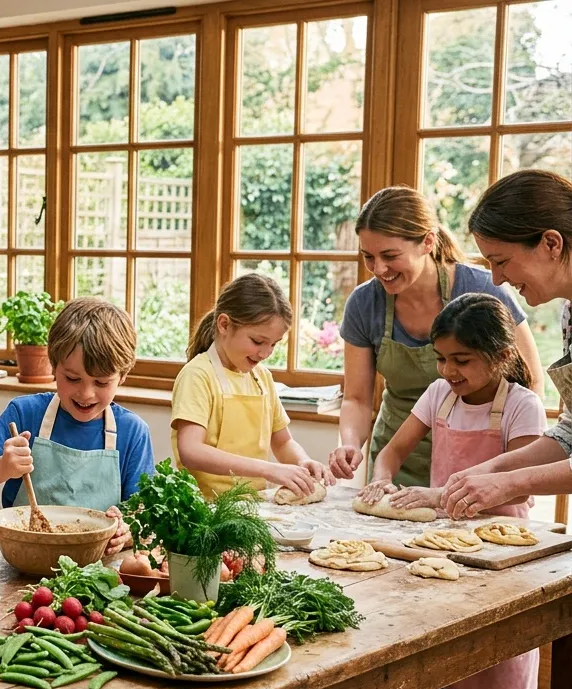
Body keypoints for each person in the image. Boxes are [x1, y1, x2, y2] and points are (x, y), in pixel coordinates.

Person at [361, 294, 541, 689]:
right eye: (441, 358)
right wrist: (381, 477)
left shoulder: (522, 406)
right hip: (444, 556)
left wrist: (438, 495)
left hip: (502, 565)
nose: (447, 371)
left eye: (461, 360)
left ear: (501, 355)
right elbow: (391, 452)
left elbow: (516, 487)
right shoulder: (439, 395)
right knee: (442, 688)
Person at [327, 186, 541, 488]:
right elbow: (357, 398)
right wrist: (350, 443)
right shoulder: (364, 304)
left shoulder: (484, 289)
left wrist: (513, 467)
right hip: (397, 459)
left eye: (390, 255)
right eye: (368, 257)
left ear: (427, 242)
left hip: (479, 466)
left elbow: (529, 381)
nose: (378, 269)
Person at [0, 297, 151, 553]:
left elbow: (146, 522)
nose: (86, 393)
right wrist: (2, 467)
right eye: (72, 378)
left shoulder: (132, 432)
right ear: (53, 365)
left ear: (122, 376)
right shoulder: (26, 414)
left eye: (101, 383)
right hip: (25, 559)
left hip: (97, 570)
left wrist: (126, 532)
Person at [442, 169, 572, 516]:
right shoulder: (569, 314)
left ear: (551, 244)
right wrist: (492, 469)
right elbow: (570, 433)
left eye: (500, 262)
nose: (497, 279)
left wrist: (512, 483)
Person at [171, 273, 329, 498]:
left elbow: (283, 442)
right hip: (208, 508)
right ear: (224, 324)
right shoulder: (198, 375)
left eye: (273, 344)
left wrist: (302, 461)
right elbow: (191, 451)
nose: (265, 353)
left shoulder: (262, 378)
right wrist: (268, 469)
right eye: (257, 341)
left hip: (254, 505)